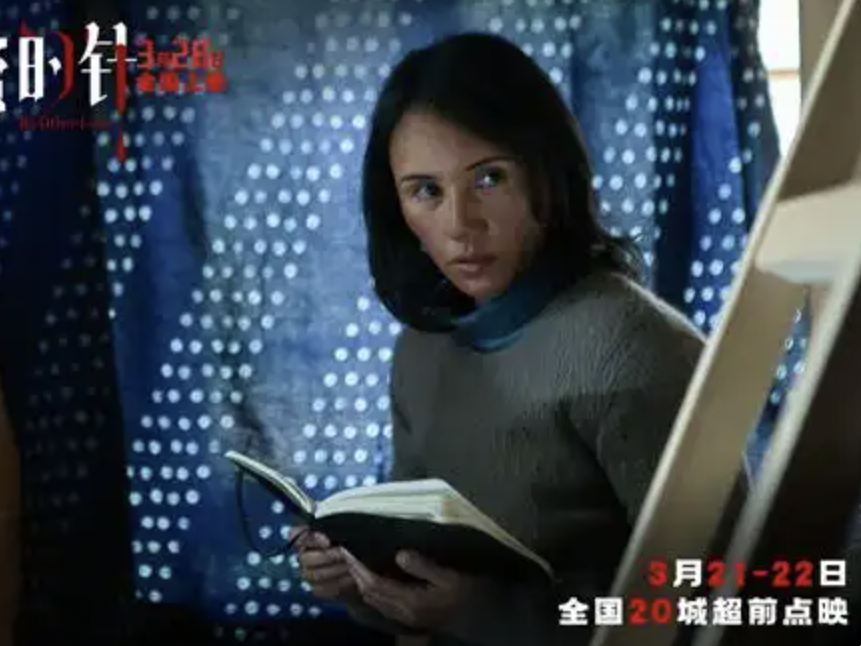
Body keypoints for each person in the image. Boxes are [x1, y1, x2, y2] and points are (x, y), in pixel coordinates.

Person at [289, 32, 750, 646]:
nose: (460, 224)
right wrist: (358, 581)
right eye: (426, 190)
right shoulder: (422, 347)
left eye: (489, 178)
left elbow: (726, 603)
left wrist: (487, 612)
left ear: (547, 174)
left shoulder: (636, 348)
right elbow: (420, 579)